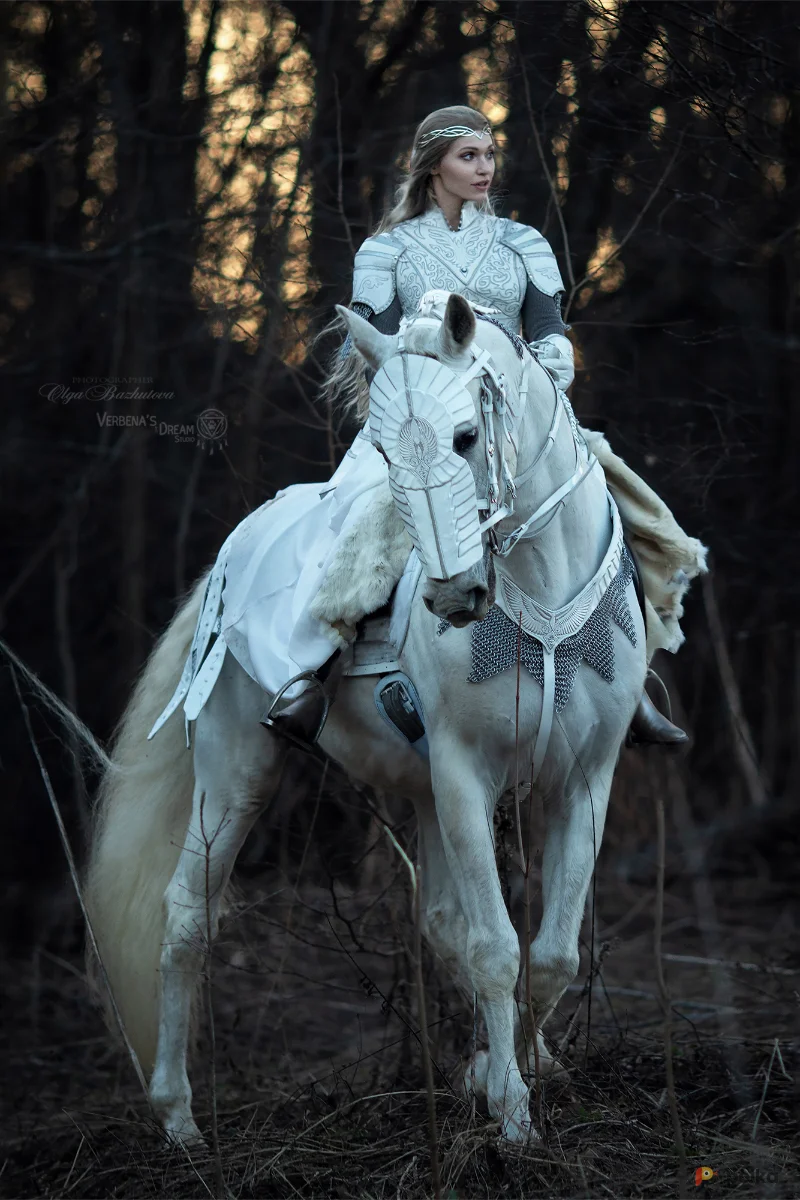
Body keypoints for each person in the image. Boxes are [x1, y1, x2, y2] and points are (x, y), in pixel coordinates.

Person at [223, 105, 706, 749]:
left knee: (626, 512)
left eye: (488, 155)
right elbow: (360, 347)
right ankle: (309, 674)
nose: (484, 168)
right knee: (350, 521)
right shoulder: (386, 250)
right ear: (433, 167)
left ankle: (630, 682)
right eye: (468, 156)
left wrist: (554, 355)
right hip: (418, 426)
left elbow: (549, 330)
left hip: (515, 422)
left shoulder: (522, 244)